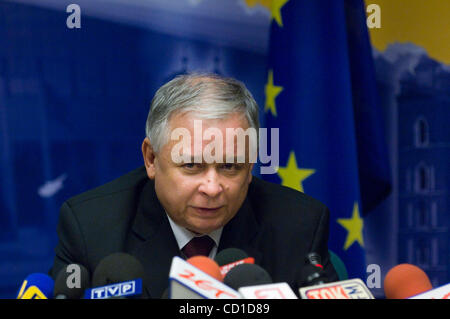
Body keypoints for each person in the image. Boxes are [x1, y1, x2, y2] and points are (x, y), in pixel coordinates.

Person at [49, 73, 338, 298]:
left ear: (251, 165)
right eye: (191, 166)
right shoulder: (90, 228)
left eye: (230, 166)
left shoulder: (299, 225)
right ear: (151, 159)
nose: (212, 188)